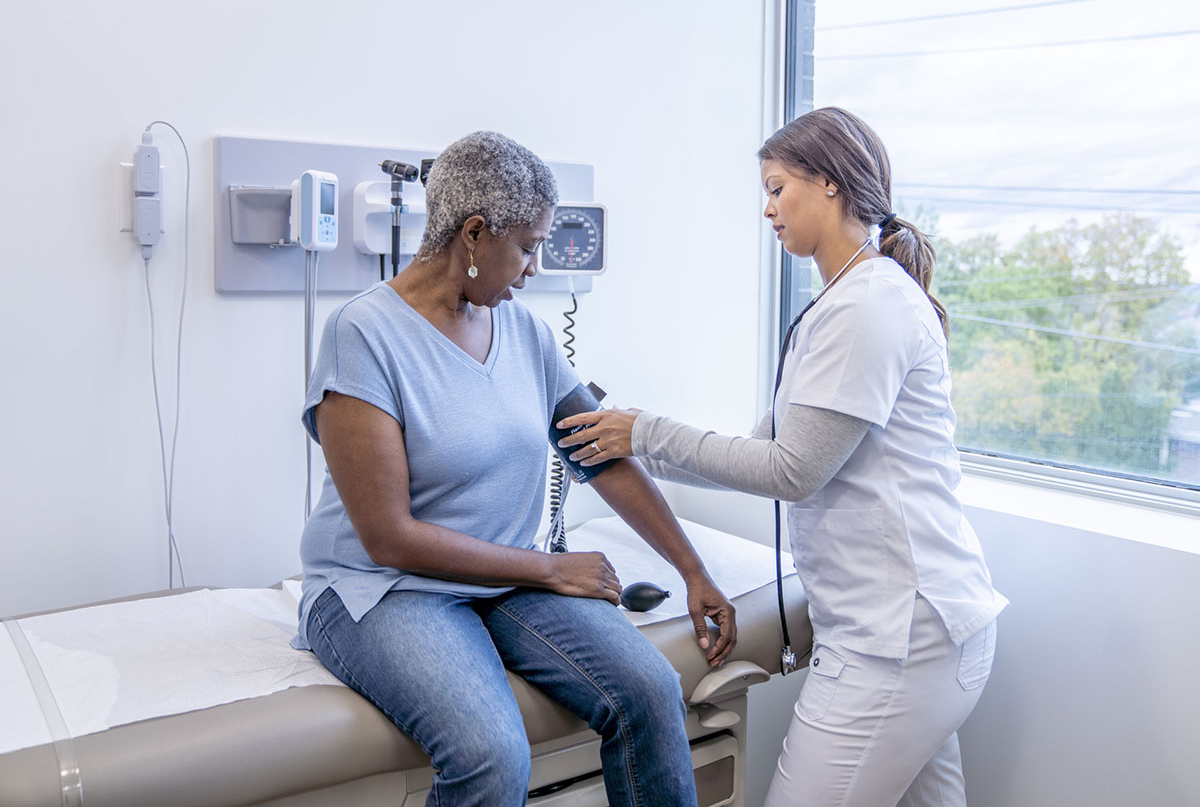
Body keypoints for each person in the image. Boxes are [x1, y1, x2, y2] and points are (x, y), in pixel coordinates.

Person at [557, 107, 1008, 807]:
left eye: (776, 188)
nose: (767, 209)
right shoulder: (844, 302)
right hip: (922, 638)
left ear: (828, 183)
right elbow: (764, 449)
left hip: (899, 647)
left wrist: (645, 433)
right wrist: (626, 435)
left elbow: (794, 472)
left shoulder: (867, 308)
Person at [291, 130, 736, 807]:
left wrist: (693, 570)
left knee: (648, 691)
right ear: (474, 234)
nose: (533, 270)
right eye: (527, 248)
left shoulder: (525, 331)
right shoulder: (363, 336)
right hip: (382, 588)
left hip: (500, 578)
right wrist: (552, 568)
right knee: (492, 757)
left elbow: (600, 456)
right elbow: (389, 538)